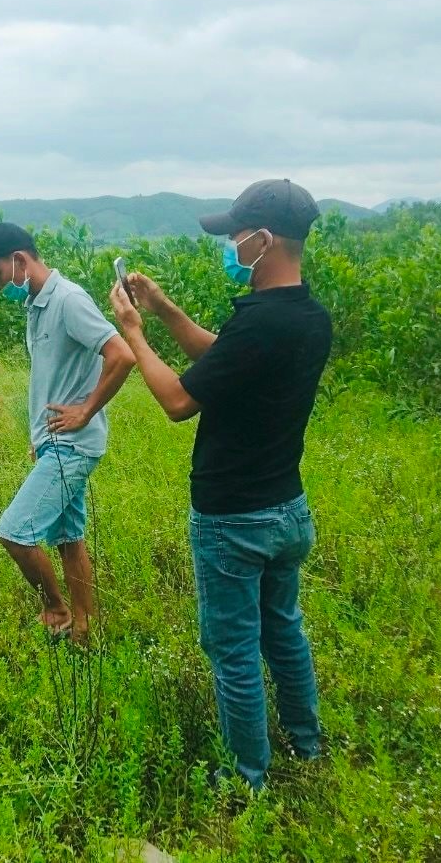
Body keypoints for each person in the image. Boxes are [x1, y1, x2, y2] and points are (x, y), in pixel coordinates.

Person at [108, 178, 331, 790]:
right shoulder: (305, 317)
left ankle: (247, 779)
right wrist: (164, 308)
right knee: (283, 629)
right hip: (287, 510)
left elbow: (180, 400)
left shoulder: (261, 322)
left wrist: (134, 332)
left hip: (233, 519)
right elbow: (224, 358)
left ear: (263, 240)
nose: (229, 246)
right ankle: (308, 746)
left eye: (235, 236)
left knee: (233, 652)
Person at [0, 222, 135, 644]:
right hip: (55, 443)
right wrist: (41, 437)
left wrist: (85, 412)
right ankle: (83, 629)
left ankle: (56, 608)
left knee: (14, 531)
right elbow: (55, 378)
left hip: (73, 445)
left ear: (19, 260)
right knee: (68, 538)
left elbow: (121, 355)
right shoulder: (38, 304)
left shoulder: (68, 300)